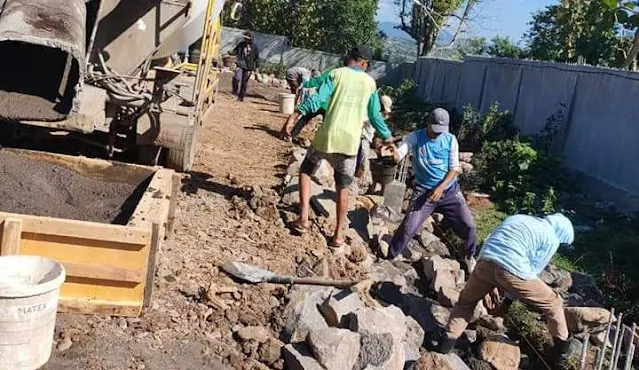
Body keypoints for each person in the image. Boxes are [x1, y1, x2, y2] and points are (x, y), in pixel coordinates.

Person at [436, 213, 575, 370]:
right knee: (554, 303)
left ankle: (445, 345)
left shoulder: (519, 218)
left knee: (466, 303)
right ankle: (560, 356)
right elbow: (530, 271)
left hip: (486, 260)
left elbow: (491, 240)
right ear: (561, 233)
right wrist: (508, 300)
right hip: (512, 268)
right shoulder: (551, 237)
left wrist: (491, 281)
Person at [285, 45, 393, 248]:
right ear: (365, 63)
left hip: (327, 137)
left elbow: (317, 99)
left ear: (351, 58)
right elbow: (375, 115)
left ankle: (303, 219)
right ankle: (338, 236)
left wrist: (296, 114)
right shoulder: (370, 83)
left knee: (306, 171)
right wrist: (387, 136)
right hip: (350, 143)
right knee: (343, 187)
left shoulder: (336, 74)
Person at [388, 108, 477, 270]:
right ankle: (390, 257)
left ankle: (469, 256)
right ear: (428, 124)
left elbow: (454, 168)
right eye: (435, 130)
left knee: (469, 226)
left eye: (441, 131)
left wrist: (441, 188)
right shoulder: (415, 137)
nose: (437, 134)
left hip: (449, 191)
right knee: (409, 226)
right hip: (424, 192)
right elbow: (401, 152)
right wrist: (393, 155)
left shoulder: (450, 140)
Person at [281, 67, 335, 141]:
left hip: (318, 103)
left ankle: (292, 135)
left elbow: (317, 80)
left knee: (304, 119)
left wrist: (306, 85)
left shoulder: (332, 73)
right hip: (330, 106)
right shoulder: (343, 77)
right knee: (327, 124)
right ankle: (326, 140)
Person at [356, 95, 393, 188]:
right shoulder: (371, 113)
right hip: (362, 137)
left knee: (362, 162)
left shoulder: (377, 114)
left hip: (367, 138)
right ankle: (356, 182)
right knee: (361, 162)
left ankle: (357, 182)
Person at [229, 30, 259, 102]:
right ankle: (234, 92)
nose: (246, 40)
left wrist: (257, 68)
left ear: (250, 39)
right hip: (240, 64)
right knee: (237, 78)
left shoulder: (254, 47)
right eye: (245, 38)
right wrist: (230, 53)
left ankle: (241, 97)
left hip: (249, 67)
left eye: (247, 38)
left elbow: (256, 58)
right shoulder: (241, 44)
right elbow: (235, 51)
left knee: (244, 82)